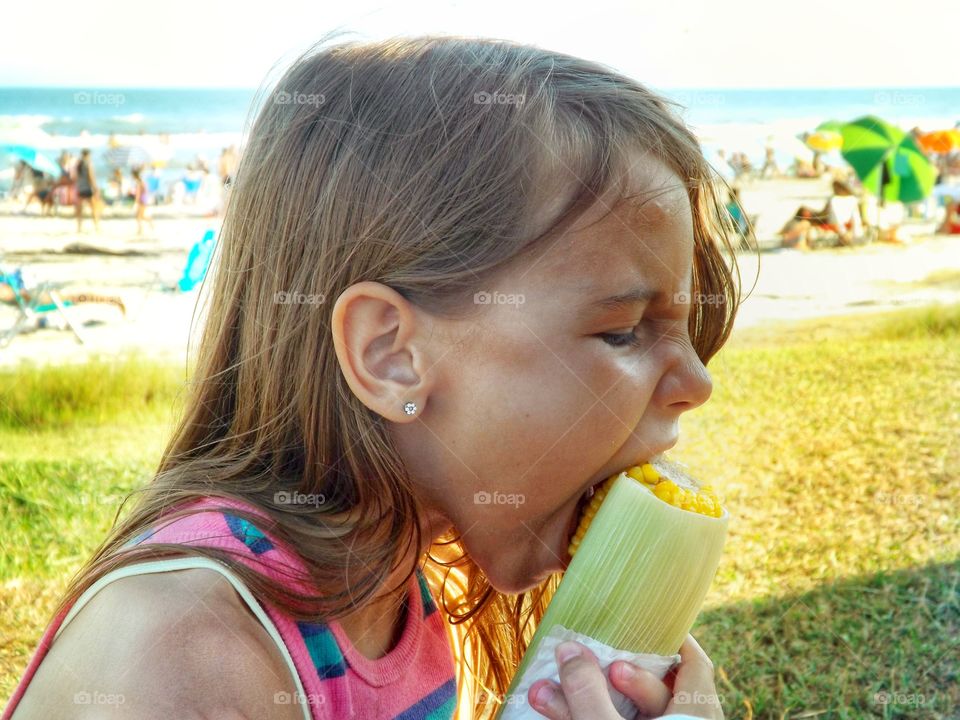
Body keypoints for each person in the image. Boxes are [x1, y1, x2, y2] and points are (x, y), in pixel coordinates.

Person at [4, 36, 733, 720]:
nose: (696, 383)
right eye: (622, 330)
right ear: (391, 355)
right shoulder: (192, 650)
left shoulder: (401, 597)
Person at [74, 148, 101, 232]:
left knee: (80, 208)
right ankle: (96, 226)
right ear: (88, 155)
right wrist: (96, 187)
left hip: (80, 187)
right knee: (94, 208)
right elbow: (91, 176)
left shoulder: (78, 164)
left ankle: (79, 227)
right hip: (87, 188)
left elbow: (76, 177)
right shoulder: (88, 163)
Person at [131, 166, 155, 236]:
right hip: (144, 200)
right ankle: (150, 224)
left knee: (139, 216)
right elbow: (145, 191)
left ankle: (140, 230)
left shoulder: (138, 183)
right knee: (140, 216)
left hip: (141, 201)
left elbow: (138, 193)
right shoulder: (142, 182)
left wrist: (136, 202)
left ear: (134, 175)